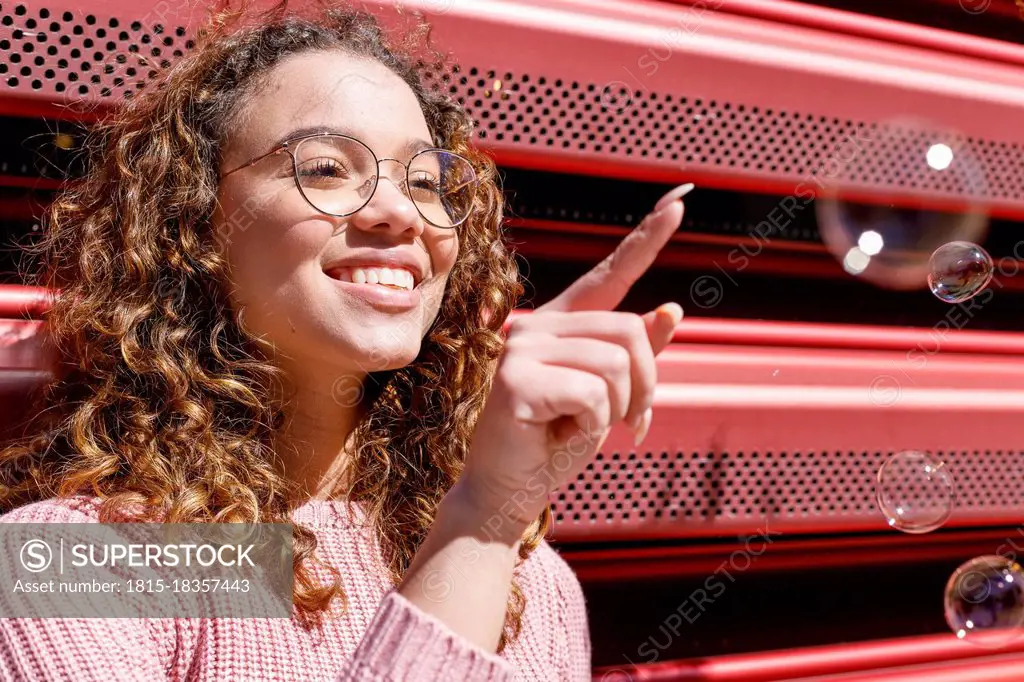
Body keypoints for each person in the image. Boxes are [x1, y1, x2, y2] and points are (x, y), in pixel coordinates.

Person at [0, 1, 688, 679]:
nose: (399, 212)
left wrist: (490, 525)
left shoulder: (533, 580)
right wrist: (478, 525)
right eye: (326, 167)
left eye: (425, 181)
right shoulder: (67, 562)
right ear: (193, 220)